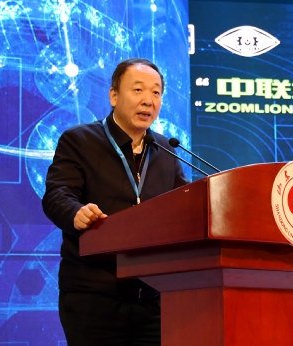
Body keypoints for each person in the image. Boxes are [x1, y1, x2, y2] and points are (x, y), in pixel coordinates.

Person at [42, 58, 189, 346]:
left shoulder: (166, 151)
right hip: (94, 297)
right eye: (138, 90)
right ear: (114, 96)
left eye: (156, 92)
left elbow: (185, 205)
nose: (148, 100)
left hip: (153, 299)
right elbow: (57, 193)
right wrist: (76, 213)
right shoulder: (80, 141)